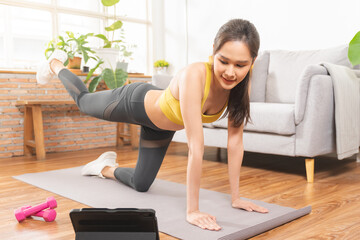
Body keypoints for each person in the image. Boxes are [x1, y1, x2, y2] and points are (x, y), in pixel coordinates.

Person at [36, 18, 269, 231]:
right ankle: (55, 63)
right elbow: (196, 147)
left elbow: (236, 142)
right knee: (85, 102)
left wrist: (236, 197)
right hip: (136, 102)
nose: (231, 72)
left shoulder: (241, 84)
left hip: (161, 127)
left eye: (240, 65)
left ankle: (103, 168)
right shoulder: (195, 75)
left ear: (252, 62)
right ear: (213, 53)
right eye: (224, 61)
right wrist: (192, 210)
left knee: (141, 184)